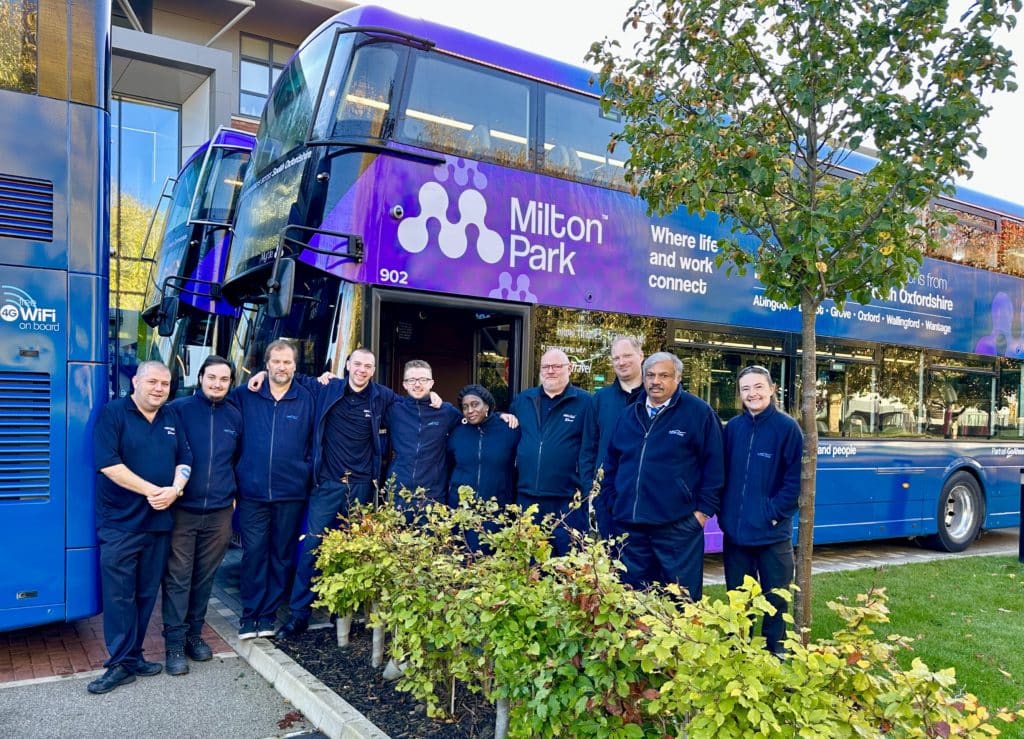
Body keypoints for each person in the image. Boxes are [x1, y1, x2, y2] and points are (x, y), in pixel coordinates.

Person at [274, 348, 402, 638]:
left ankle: (340, 612)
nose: (362, 370)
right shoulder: (327, 387)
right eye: (357, 364)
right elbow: (285, 377)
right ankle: (299, 615)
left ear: (373, 370)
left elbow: (412, 406)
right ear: (347, 365)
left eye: (368, 366)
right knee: (311, 550)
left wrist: (433, 399)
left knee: (352, 553)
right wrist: (258, 376)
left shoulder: (381, 396)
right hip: (328, 483)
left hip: (362, 488)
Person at [89, 361, 191, 695]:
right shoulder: (113, 413)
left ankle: (133, 657)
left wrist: (175, 489)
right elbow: (108, 465)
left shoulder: (171, 417)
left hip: (158, 525)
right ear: (135, 381)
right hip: (120, 524)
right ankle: (119, 665)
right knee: (119, 596)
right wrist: (153, 491)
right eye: (153, 382)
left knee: (147, 595)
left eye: (165, 384)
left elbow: (185, 459)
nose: (159, 389)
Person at [598, 352, 724, 600]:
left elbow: (715, 468)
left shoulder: (698, 413)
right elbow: (611, 463)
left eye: (664, 375)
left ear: (677, 378)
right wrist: (613, 501)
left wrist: (701, 514)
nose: (656, 381)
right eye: (651, 375)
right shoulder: (629, 413)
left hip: (676, 528)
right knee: (632, 600)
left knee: (681, 601)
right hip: (630, 527)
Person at [161, 355, 242, 675]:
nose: (217, 384)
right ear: (200, 377)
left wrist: (233, 496)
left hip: (220, 512)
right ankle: (174, 646)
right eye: (212, 378)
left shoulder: (235, 416)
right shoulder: (178, 410)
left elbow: (237, 460)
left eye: (224, 380)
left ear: (230, 383)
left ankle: (194, 637)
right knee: (178, 579)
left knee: (204, 579)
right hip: (183, 511)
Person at [232, 339, 315, 640]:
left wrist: (306, 471)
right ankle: (249, 614)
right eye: (276, 361)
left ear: (295, 365)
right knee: (254, 553)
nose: (282, 367)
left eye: (287, 362)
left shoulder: (307, 398)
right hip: (252, 492)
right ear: (266, 364)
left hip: (291, 493)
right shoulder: (245, 395)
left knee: (281, 556)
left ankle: (267, 615)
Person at [720, 365, 802, 655]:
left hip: (772, 535)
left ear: (771, 390)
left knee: (775, 600)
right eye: (745, 389)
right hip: (737, 537)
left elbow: (795, 482)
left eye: (757, 387)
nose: (752, 393)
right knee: (739, 601)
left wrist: (772, 513)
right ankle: (739, 651)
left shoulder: (787, 428)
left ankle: (775, 653)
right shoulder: (733, 429)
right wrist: (726, 515)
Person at [510, 348, 598, 556]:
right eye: (546, 366)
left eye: (557, 366)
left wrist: (587, 492)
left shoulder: (586, 403)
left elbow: (591, 448)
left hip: (566, 501)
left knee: (565, 563)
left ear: (570, 369)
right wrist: (503, 416)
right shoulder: (523, 400)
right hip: (526, 497)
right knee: (527, 563)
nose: (551, 371)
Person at [384, 360, 462, 508]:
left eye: (423, 380)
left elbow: (474, 420)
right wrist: (334, 383)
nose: (417, 384)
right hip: (397, 493)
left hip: (433, 494)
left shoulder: (446, 412)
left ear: (431, 383)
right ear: (404, 384)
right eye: (412, 380)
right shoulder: (394, 410)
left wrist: (501, 417)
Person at [447, 384, 520, 509]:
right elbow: (448, 466)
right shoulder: (457, 432)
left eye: (475, 404)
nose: (470, 410)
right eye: (465, 407)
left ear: (487, 405)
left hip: (497, 508)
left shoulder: (508, 430)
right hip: (460, 509)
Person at [594, 336, 644, 463]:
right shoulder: (600, 398)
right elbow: (588, 447)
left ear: (641, 356)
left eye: (627, 356)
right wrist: (588, 481)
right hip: (605, 481)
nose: (621, 362)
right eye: (616, 358)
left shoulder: (654, 397)